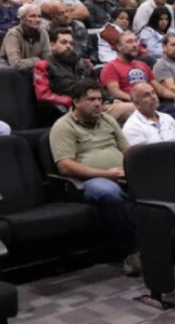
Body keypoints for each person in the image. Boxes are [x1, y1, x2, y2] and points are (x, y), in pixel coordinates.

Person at [49, 79, 140, 276]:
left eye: (99, 99)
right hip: (86, 182)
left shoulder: (107, 120)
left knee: (155, 182)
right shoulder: (63, 126)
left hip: (120, 173)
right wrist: (107, 174)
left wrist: (133, 168)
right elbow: (65, 166)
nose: (97, 104)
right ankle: (130, 251)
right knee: (109, 192)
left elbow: (127, 150)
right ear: (76, 102)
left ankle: (166, 243)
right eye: (91, 99)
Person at [0, 3, 49, 69]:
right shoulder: (13, 34)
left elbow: (48, 60)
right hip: (10, 73)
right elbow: (16, 64)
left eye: (39, 16)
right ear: (22, 18)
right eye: (32, 16)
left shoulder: (43, 33)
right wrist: (37, 60)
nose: (37, 20)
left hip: (34, 71)